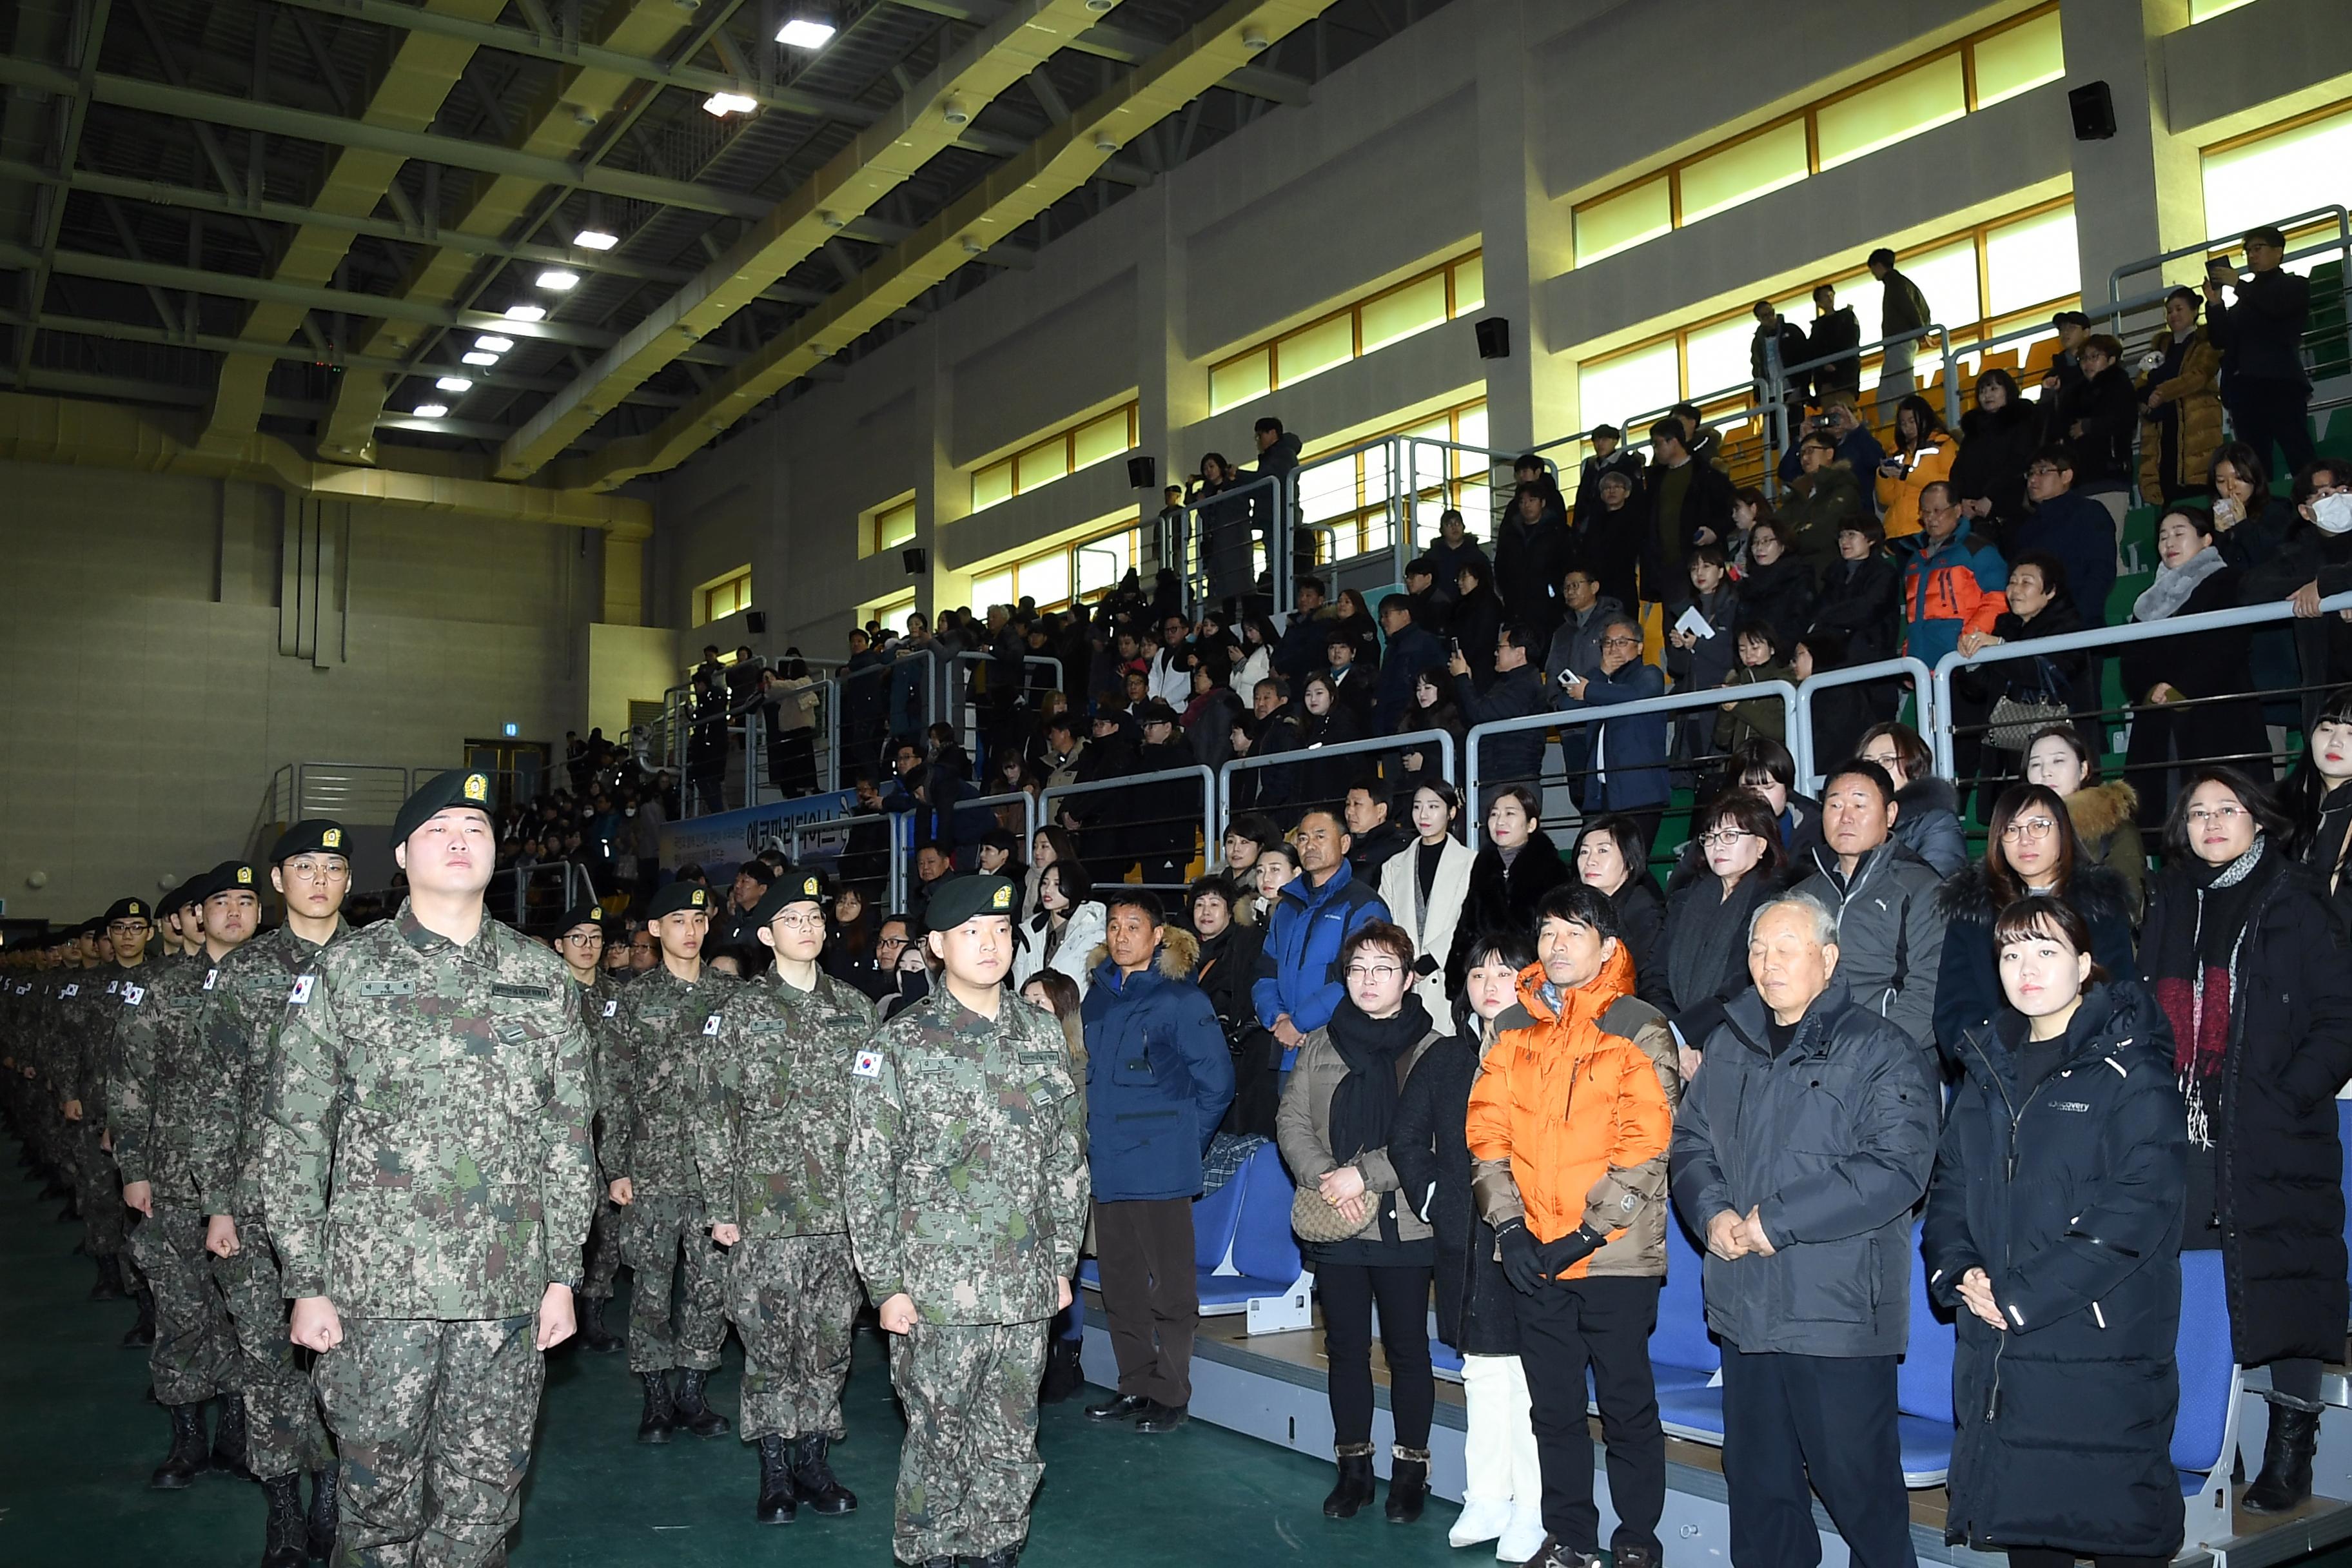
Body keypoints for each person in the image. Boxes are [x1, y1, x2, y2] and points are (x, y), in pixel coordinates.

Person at [262, 769, 595, 1564]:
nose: (459, 839)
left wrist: (562, 1272)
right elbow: (297, 1133)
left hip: (506, 1292)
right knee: (377, 1507)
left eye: (475, 827)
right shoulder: (347, 973)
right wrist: (305, 1279)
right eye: (439, 827)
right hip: (377, 1294)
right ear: (405, 853)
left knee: (483, 1504)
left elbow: (569, 1137)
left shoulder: (543, 978)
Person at [1669, 890, 1939, 1568]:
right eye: (1759, 949)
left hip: (1837, 1314)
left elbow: (1896, 1168)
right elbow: (1690, 1146)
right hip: (1746, 1301)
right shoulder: (1729, 1044)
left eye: (1786, 948)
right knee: (1760, 1491)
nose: (1768, 963)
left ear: (1829, 957)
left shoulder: (1883, 1049)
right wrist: (1714, 1213)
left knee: (1860, 1492)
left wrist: (1774, 1223)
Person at [1925, 897, 2188, 1567]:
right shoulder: (1985, 1069)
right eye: (2011, 953)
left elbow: (2139, 1207)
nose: (2026, 967)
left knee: (2119, 1531)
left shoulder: (2135, 1069)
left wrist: (2020, 1295)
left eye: (2046, 951)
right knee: (2030, 1535)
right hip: (1999, 1355)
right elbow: (1950, 1187)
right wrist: (1960, 1273)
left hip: (2098, 1350)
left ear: (2085, 964)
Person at [844, 874, 1090, 1568]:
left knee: (1012, 1442)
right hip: (936, 1292)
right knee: (936, 1443)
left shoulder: (1041, 1033)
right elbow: (867, 1175)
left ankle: (996, 1550)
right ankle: (926, 1554)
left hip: (1024, 1287)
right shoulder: (899, 1043)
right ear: (935, 945)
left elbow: (1068, 1163)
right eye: (971, 931)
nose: (990, 943)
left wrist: (1061, 1264)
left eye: (1002, 930)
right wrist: (885, 1284)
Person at [2141, 768, 2352, 1513]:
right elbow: (2144, 1003)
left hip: (2272, 1124)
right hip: (2184, 1121)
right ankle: (2195, 1442)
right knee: (2188, 1289)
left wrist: (2286, 1092)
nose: (2211, 822)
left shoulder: (2295, 897)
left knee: (2283, 1274)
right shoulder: (2171, 897)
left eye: (2227, 809)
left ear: (2258, 818)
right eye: (2198, 812)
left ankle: (2290, 1446)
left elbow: (2339, 1017)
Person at [1465, 884, 1678, 1568]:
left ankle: (1638, 1541)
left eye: (1574, 931)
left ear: (1609, 947)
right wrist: (1509, 1228)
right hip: (1533, 1254)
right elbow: (1487, 1136)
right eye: (1548, 931)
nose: (1557, 944)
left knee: (1625, 1406)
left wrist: (1587, 1233)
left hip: (1613, 1253)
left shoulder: (1639, 1024)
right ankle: (1571, 1538)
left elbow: (1647, 1144)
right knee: (1553, 1408)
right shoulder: (1511, 1028)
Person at [691, 867, 874, 1523]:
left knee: (829, 1342)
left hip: (836, 1212)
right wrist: (721, 1206)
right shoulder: (737, 1012)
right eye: (794, 919)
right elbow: (712, 1113)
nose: (809, 927)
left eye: (816, 917)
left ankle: (814, 1458)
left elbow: (873, 1116)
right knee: (769, 1343)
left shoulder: (855, 1009)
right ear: (766, 933)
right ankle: (774, 1465)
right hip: (763, 1213)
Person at [190, 823, 351, 1564]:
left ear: (350, 880)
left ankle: (335, 1486)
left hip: (360, 1205)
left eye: (334, 866)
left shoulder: (377, 961)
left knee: (351, 1357)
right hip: (259, 1201)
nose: (320, 878)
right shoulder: (245, 973)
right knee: (265, 1356)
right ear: (278, 881)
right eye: (305, 866)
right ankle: (284, 1501)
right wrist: (217, 1199)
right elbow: (217, 1095)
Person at [1275, 920, 1447, 1524]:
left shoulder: (1436, 1047)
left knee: (1407, 1352)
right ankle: (1353, 1469)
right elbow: (1291, 1119)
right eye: (1357, 969)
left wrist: (1363, 1177)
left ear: (1407, 978)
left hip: (1404, 1226)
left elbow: (1432, 1136)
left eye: (1383, 969)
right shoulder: (1321, 1042)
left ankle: (1410, 1472)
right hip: (1336, 1222)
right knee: (1345, 1348)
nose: (1369, 981)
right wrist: (1328, 1177)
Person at [1391, 930, 1545, 1560]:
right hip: (1462, 1239)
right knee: (1479, 1373)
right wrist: (1438, 1202)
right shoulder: (1447, 1057)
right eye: (1478, 974)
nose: (1488, 985)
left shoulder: (1545, 1052)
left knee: (1527, 1381)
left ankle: (1534, 1507)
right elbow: (1407, 1140)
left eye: (1503, 973)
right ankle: (1486, 1495)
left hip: (1529, 1239)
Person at [112, 858, 257, 1488]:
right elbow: (128, 1082)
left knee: (251, 1317)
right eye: (219, 902)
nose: (232, 913)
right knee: (182, 1309)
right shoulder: (163, 986)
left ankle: (239, 1430)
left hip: (258, 1187)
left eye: (246, 902)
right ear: (198, 915)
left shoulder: (285, 987)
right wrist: (134, 1168)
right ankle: (187, 1437)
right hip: (175, 1181)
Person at [1078, 890, 1235, 1434]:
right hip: (1108, 1163)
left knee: (1170, 1288)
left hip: (1162, 1164)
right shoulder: (1094, 998)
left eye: (1133, 925)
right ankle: (1135, 1384)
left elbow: (1218, 1084)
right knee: (1119, 1285)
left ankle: (1171, 1393)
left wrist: (1183, 1148)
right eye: (1114, 926)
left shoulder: (1180, 1000)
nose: (1122, 935)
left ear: (1159, 935)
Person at [607, 880, 737, 1444]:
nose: (691, 930)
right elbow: (613, 1091)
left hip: (714, 1174)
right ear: (655, 929)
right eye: (678, 920)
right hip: (652, 1169)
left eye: (699, 919)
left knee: (711, 1286)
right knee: (652, 1287)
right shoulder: (633, 1001)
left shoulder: (734, 998)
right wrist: (616, 1167)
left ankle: (692, 1389)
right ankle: (656, 1394)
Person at [1931, 783, 2138, 1061]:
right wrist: (1995, 1061)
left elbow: (2119, 993)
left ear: (2063, 831)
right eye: (2012, 829)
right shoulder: (1973, 908)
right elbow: (1955, 1005)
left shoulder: (2099, 904)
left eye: (2039, 826)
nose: (2025, 840)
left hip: (2086, 1063)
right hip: (1992, 1067)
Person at [2121, 507, 2269, 827]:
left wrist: (2182, 687)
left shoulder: (2227, 582)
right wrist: (2151, 689)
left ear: (2206, 540)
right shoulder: (2149, 599)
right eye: (2162, 536)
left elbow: (2226, 645)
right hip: (2161, 718)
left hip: (2216, 716)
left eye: (2178, 533)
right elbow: (2131, 656)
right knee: (2170, 814)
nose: (2168, 543)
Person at [1792, 761, 1949, 1064]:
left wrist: (1866, 1053)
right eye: (1835, 805)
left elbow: (1931, 988)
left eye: (1859, 805)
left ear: (1890, 815)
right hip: (1809, 1059)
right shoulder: (1803, 895)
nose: (1845, 817)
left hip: (1891, 1060)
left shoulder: (1920, 887)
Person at [1252, 806, 1391, 1069]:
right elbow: (1265, 969)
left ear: (1345, 843)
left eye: (1320, 836)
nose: (1309, 846)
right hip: (1287, 1047)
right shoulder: (1287, 906)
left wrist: (1298, 1023)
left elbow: (1360, 979)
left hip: (1340, 1050)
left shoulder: (1364, 905)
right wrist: (1278, 1018)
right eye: (1303, 838)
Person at [1658, 793, 1785, 1053]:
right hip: (1672, 1034)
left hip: (1736, 1040)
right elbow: (1655, 972)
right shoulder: (1686, 899)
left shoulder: (1776, 904)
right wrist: (1672, 1034)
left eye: (1730, 836)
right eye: (1710, 837)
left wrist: (1683, 1034)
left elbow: (1744, 984)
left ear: (1761, 845)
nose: (1718, 846)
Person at [2205, 224, 2315, 478]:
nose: (2252, 255)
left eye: (2258, 248)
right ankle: (2262, 513)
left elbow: (2275, 308)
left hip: (2281, 384)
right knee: (2254, 465)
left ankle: (2316, 504)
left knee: (2298, 451)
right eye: (2248, 251)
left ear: (2279, 252)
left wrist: (2239, 285)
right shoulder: (2242, 304)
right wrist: (2215, 304)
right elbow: (2221, 340)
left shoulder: (2294, 285)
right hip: (2245, 389)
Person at [1447, 784, 1570, 991]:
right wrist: (1457, 978)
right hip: (1485, 979)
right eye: (1494, 814)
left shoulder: (1552, 870)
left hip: (1533, 981)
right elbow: (1467, 926)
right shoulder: (1483, 866)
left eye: (1510, 814)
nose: (1500, 821)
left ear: (1531, 825)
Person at [1560, 612, 1672, 836]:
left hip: (1640, 792)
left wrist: (1590, 690)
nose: (1613, 649)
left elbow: (1638, 694)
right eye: (1608, 643)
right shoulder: (1599, 681)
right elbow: (1566, 708)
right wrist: (1599, 674)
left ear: (1639, 647)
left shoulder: (1649, 673)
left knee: (1631, 864)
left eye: (1622, 642)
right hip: (1601, 793)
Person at [2022, 723, 2146, 919]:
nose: (2046, 772)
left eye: (2058, 761)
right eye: (2036, 764)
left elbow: (2127, 906)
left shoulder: (2114, 827)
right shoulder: (2016, 832)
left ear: (2083, 769)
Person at [1378, 781, 1477, 1023]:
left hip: (1448, 975)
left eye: (1433, 806)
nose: (1423, 815)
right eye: (1417, 807)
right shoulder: (1393, 866)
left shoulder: (1472, 862)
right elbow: (1385, 920)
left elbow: (1471, 919)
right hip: (1405, 977)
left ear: (1451, 813)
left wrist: (1432, 959)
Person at [1901, 482, 2008, 674]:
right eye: (1925, 512)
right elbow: (1914, 615)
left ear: (1958, 510)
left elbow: (1999, 598)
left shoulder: (1978, 550)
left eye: (1938, 511)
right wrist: (1910, 654)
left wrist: (1970, 638)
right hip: (1922, 669)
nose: (1931, 518)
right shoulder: (1915, 560)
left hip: (1966, 663)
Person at [2139, 286, 2224, 505]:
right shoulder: (2158, 349)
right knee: (2169, 494)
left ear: (2195, 311)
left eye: (2179, 309)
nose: (2173, 315)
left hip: (2196, 427)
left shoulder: (2206, 342)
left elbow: (2199, 375)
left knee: (2198, 495)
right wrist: (2145, 398)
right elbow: (2141, 381)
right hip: (2164, 430)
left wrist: (2161, 392)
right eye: (2169, 311)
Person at [2052, 335, 2140, 534]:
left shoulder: (2120, 384)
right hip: (2082, 477)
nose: (2087, 363)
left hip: (2110, 473)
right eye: (2083, 358)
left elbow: (2125, 419)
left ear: (2111, 359)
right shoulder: (2074, 393)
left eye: (2094, 357)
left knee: (2109, 540)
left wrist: (2090, 426)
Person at [1641, 418, 1736, 602]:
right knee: (1673, 625)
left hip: (1697, 563)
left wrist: (1715, 531)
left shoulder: (1707, 475)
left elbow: (1732, 508)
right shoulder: (1655, 481)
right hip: (1666, 568)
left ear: (1673, 441)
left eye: (1657, 444)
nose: (1655, 450)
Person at [1858, 721, 1968, 880]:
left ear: (1915, 766)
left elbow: (1936, 888)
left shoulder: (1938, 822)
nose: (1876, 769)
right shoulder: (1853, 820)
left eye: (1887, 760)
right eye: (1868, 762)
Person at [1452, 623, 1548, 795]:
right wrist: (1467, 681)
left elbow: (1479, 715)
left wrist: (1462, 678)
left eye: (1500, 647)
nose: (1495, 653)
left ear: (1520, 652)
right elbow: (1472, 716)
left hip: (1510, 781)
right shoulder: (1508, 683)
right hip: (1495, 779)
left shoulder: (1524, 686)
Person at [1952, 369, 2041, 550]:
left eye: (1993, 389)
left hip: (2012, 511)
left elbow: (2018, 462)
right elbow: (1959, 469)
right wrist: (1963, 500)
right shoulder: (1973, 431)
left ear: (2007, 391)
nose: (1987, 395)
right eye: (1983, 391)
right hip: (1977, 517)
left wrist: (1991, 497)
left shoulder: (2021, 422)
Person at [1572, 815, 1666, 986]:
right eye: (1584, 852)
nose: (1590, 861)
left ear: (1629, 862)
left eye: (1603, 851)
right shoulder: (1577, 908)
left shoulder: (1644, 915)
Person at [1012, 859, 1107, 996]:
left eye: (1057, 884)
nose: (1048, 890)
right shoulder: (1030, 931)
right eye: (1044, 883)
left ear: (1075, 886)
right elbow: (1019, 978)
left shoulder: (1093, 932)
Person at [1874, 395, 1958, 542]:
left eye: (1912, 421)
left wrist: (1908, 474)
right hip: (1896, 530)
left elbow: (1947, 483)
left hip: (1926, 528)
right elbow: (1886, 499)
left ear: (1925, 418)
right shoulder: (1897, 452)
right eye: (1903, 423)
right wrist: (1883, 475)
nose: (1907, 428)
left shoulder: (1944, 444)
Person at [1777, 431, 1865, 573]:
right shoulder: (1797, 494)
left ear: (1829, 453)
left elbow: (1824, 532)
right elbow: (1776, 529)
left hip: (1828, 571)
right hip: (1798, 573)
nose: (1805, 458)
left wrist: (1788, 541)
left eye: (1811, 451)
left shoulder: (1844, 487)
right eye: (1802, 453)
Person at [1868, 245, 1935, 422]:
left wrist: (1921, 331)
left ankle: (1921, 424)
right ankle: (1890, 430)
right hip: (1900, 343)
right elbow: (1921, 308)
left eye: (1873, 269)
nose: (1873, 273)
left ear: (1878, 266)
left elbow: (1909, 307)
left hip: (1900, 342)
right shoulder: (1903, 283)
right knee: (1884, 396)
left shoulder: (1895, 282)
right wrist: (1923, 328)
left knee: (1906, 392)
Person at [1373, 593, 1446, 737]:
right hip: (1390, 728)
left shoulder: (1426, 642)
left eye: (1387, 615)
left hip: (1414, 726)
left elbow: (1440, 682)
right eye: (1381, 616)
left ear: (1405, 614)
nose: (1382, 621)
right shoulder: (1390, 650)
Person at [1736, 518, 1813, 651]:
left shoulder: (1797, 577)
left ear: (1782, 545)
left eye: (1766, 541)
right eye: (1755, 542)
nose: (1759, 548)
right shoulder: (1747, 585)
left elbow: (1798, 623)